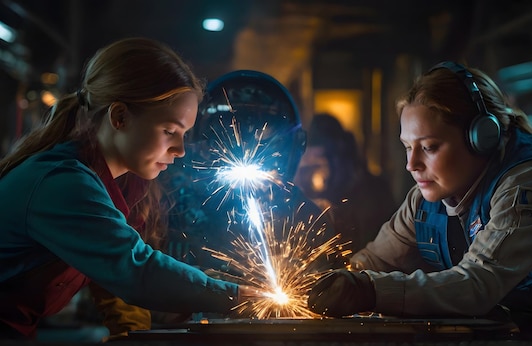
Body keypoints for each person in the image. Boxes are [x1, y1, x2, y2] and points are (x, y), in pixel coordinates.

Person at [307, 61, 532, 340]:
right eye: (408, 147)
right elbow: (371, 263)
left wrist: (367, 290)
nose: (412, 164)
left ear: (481, 138)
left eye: (429, 147)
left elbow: (476, 285)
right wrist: (326, 282)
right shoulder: (425, 200)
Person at [0, 37, 257, 340]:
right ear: (119, 117)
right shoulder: (63, 183)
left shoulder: (119, 185)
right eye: (169, 131)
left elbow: (114, 277)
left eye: (184, 133)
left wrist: (135, 333)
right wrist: (237, 296)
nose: (181, 149)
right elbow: (135, 270)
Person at [157, 70, 342, 319]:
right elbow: (141, 283)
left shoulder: (304, 215)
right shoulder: (174, 210)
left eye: (260, 137)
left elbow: (325, 292)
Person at [294, 113, 397, 252]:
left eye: (320, 159)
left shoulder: (373, 192)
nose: (314, 168)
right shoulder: (309, 187)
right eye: (310, 161)